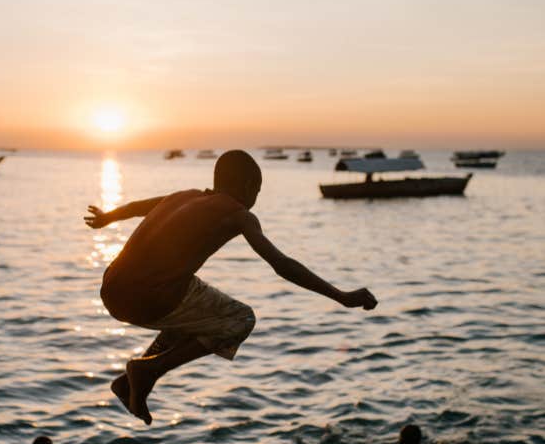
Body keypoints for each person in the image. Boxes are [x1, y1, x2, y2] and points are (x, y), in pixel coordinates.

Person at [85, 150, 377, 425]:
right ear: (249, 185)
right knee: (240, 319)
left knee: (201, 310)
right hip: (148, 299)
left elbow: (137, 208)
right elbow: (281, 264)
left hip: (111, 289)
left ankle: (129, 383)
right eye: (258, 191)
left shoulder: (182, 195)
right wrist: (341, 296)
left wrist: (107, 217)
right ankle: (147, 370)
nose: (256, 198)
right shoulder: (239, 214)